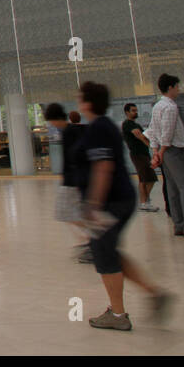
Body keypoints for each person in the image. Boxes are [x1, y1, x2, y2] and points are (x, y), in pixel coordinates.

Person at [75, 81, 171, 331]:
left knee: (104, 255)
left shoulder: (98, 128)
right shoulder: (105, 126)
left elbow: (103, 167)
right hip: (119, 199)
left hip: (111, 203)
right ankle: (153, 292)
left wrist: (93, 205)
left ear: (87, 102)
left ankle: (118, 315)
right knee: (110, 252)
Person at [146, 73, 184, 240]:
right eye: (177, 86)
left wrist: (155, 152)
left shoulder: (157, 106)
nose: (179, 90)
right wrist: (161, 151)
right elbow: (167, 132)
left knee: (173, 189)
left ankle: (179, 225)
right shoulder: (170, 107)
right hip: (173, 150)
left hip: (164, 151)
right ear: (171, 87)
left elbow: (152, 130)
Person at [52, 102, 91, 262]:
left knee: (66, 213)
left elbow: (73, 157)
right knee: (69, 213)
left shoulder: (70, 132)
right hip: (75, 179)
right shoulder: (77, 130)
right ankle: (89, 239)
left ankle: (90, 238)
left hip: (72, 180)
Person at [120, 103, 158, 212]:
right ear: (127, 112)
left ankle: (145, 201)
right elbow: (139, 136)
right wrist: (151, 146)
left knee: (149, 178)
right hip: (138, 154)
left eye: (136, 110)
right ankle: (144, 202)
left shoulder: (135, 124)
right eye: (133, 110)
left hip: (143, 154)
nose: (136, 112)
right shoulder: (128, 124)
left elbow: (143, 135)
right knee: (145, 178)